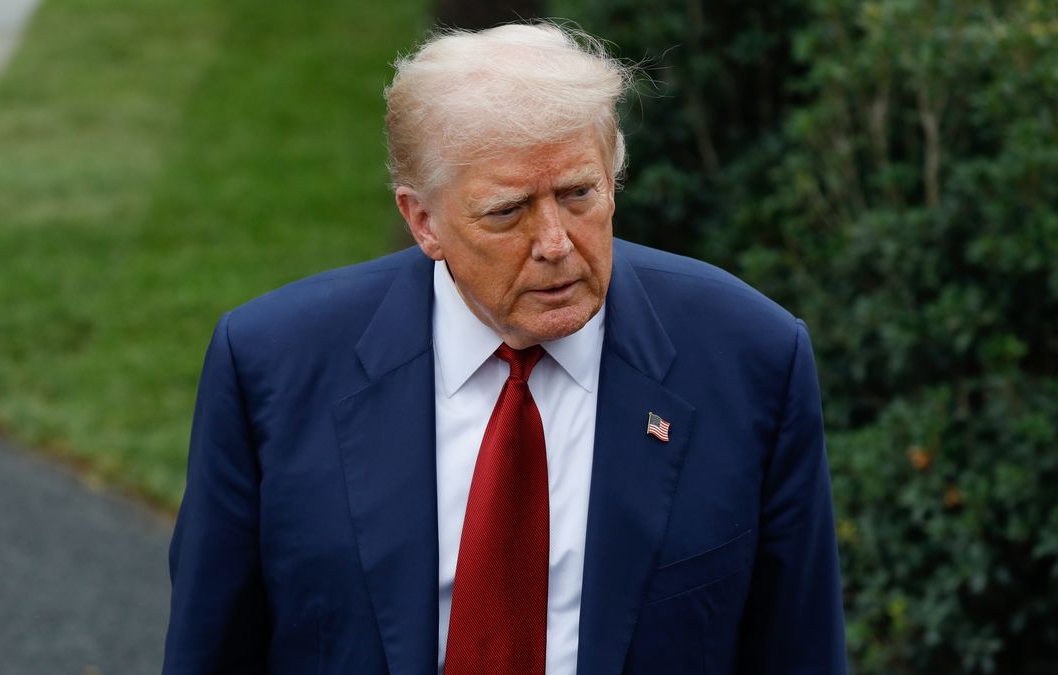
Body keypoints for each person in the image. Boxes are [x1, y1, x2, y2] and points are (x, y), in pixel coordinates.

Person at [162, 22, 846, 675]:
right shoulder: (271, 365)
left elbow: (800, 648)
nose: (555, 242)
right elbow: (212, 648)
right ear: (422, 220)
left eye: (579, 194)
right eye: (508, 211)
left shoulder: (751, 359)